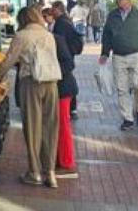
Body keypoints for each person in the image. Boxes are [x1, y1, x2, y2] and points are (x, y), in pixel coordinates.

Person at [0, 6, 62, 188]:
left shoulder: (22, 36)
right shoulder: (48, 35)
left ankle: (35, 172)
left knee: (33, 128)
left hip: (31, 83)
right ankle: (50, 172)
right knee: (50, 127)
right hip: (52, 83)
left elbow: (8, 61)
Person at [100, 0, 138, 131]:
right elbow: (107, 36)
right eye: (117, 0)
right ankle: (127, 118)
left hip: (136, 54)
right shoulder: (112, 16)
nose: (118, 2)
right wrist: (105, 53)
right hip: (118, 56)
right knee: (122, 88)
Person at [43, 9, 79, 178]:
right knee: (58, 125)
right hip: (59, 89)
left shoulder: (57, 39)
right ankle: (60, 159)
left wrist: (52, 74)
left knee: (63, 126)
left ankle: (67, 163)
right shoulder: (51, 39)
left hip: (63, 89)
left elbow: (69, 64)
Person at [50, 0, 83, 120]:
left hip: (64, 55)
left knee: (65, 81)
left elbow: (59, 41)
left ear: (59, 9)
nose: (51, 13)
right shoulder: (66, 20)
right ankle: (72, 107)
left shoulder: (61, 23)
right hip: (68, 54)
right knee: (68, 79)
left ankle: (70, 107)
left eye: (53, 10)